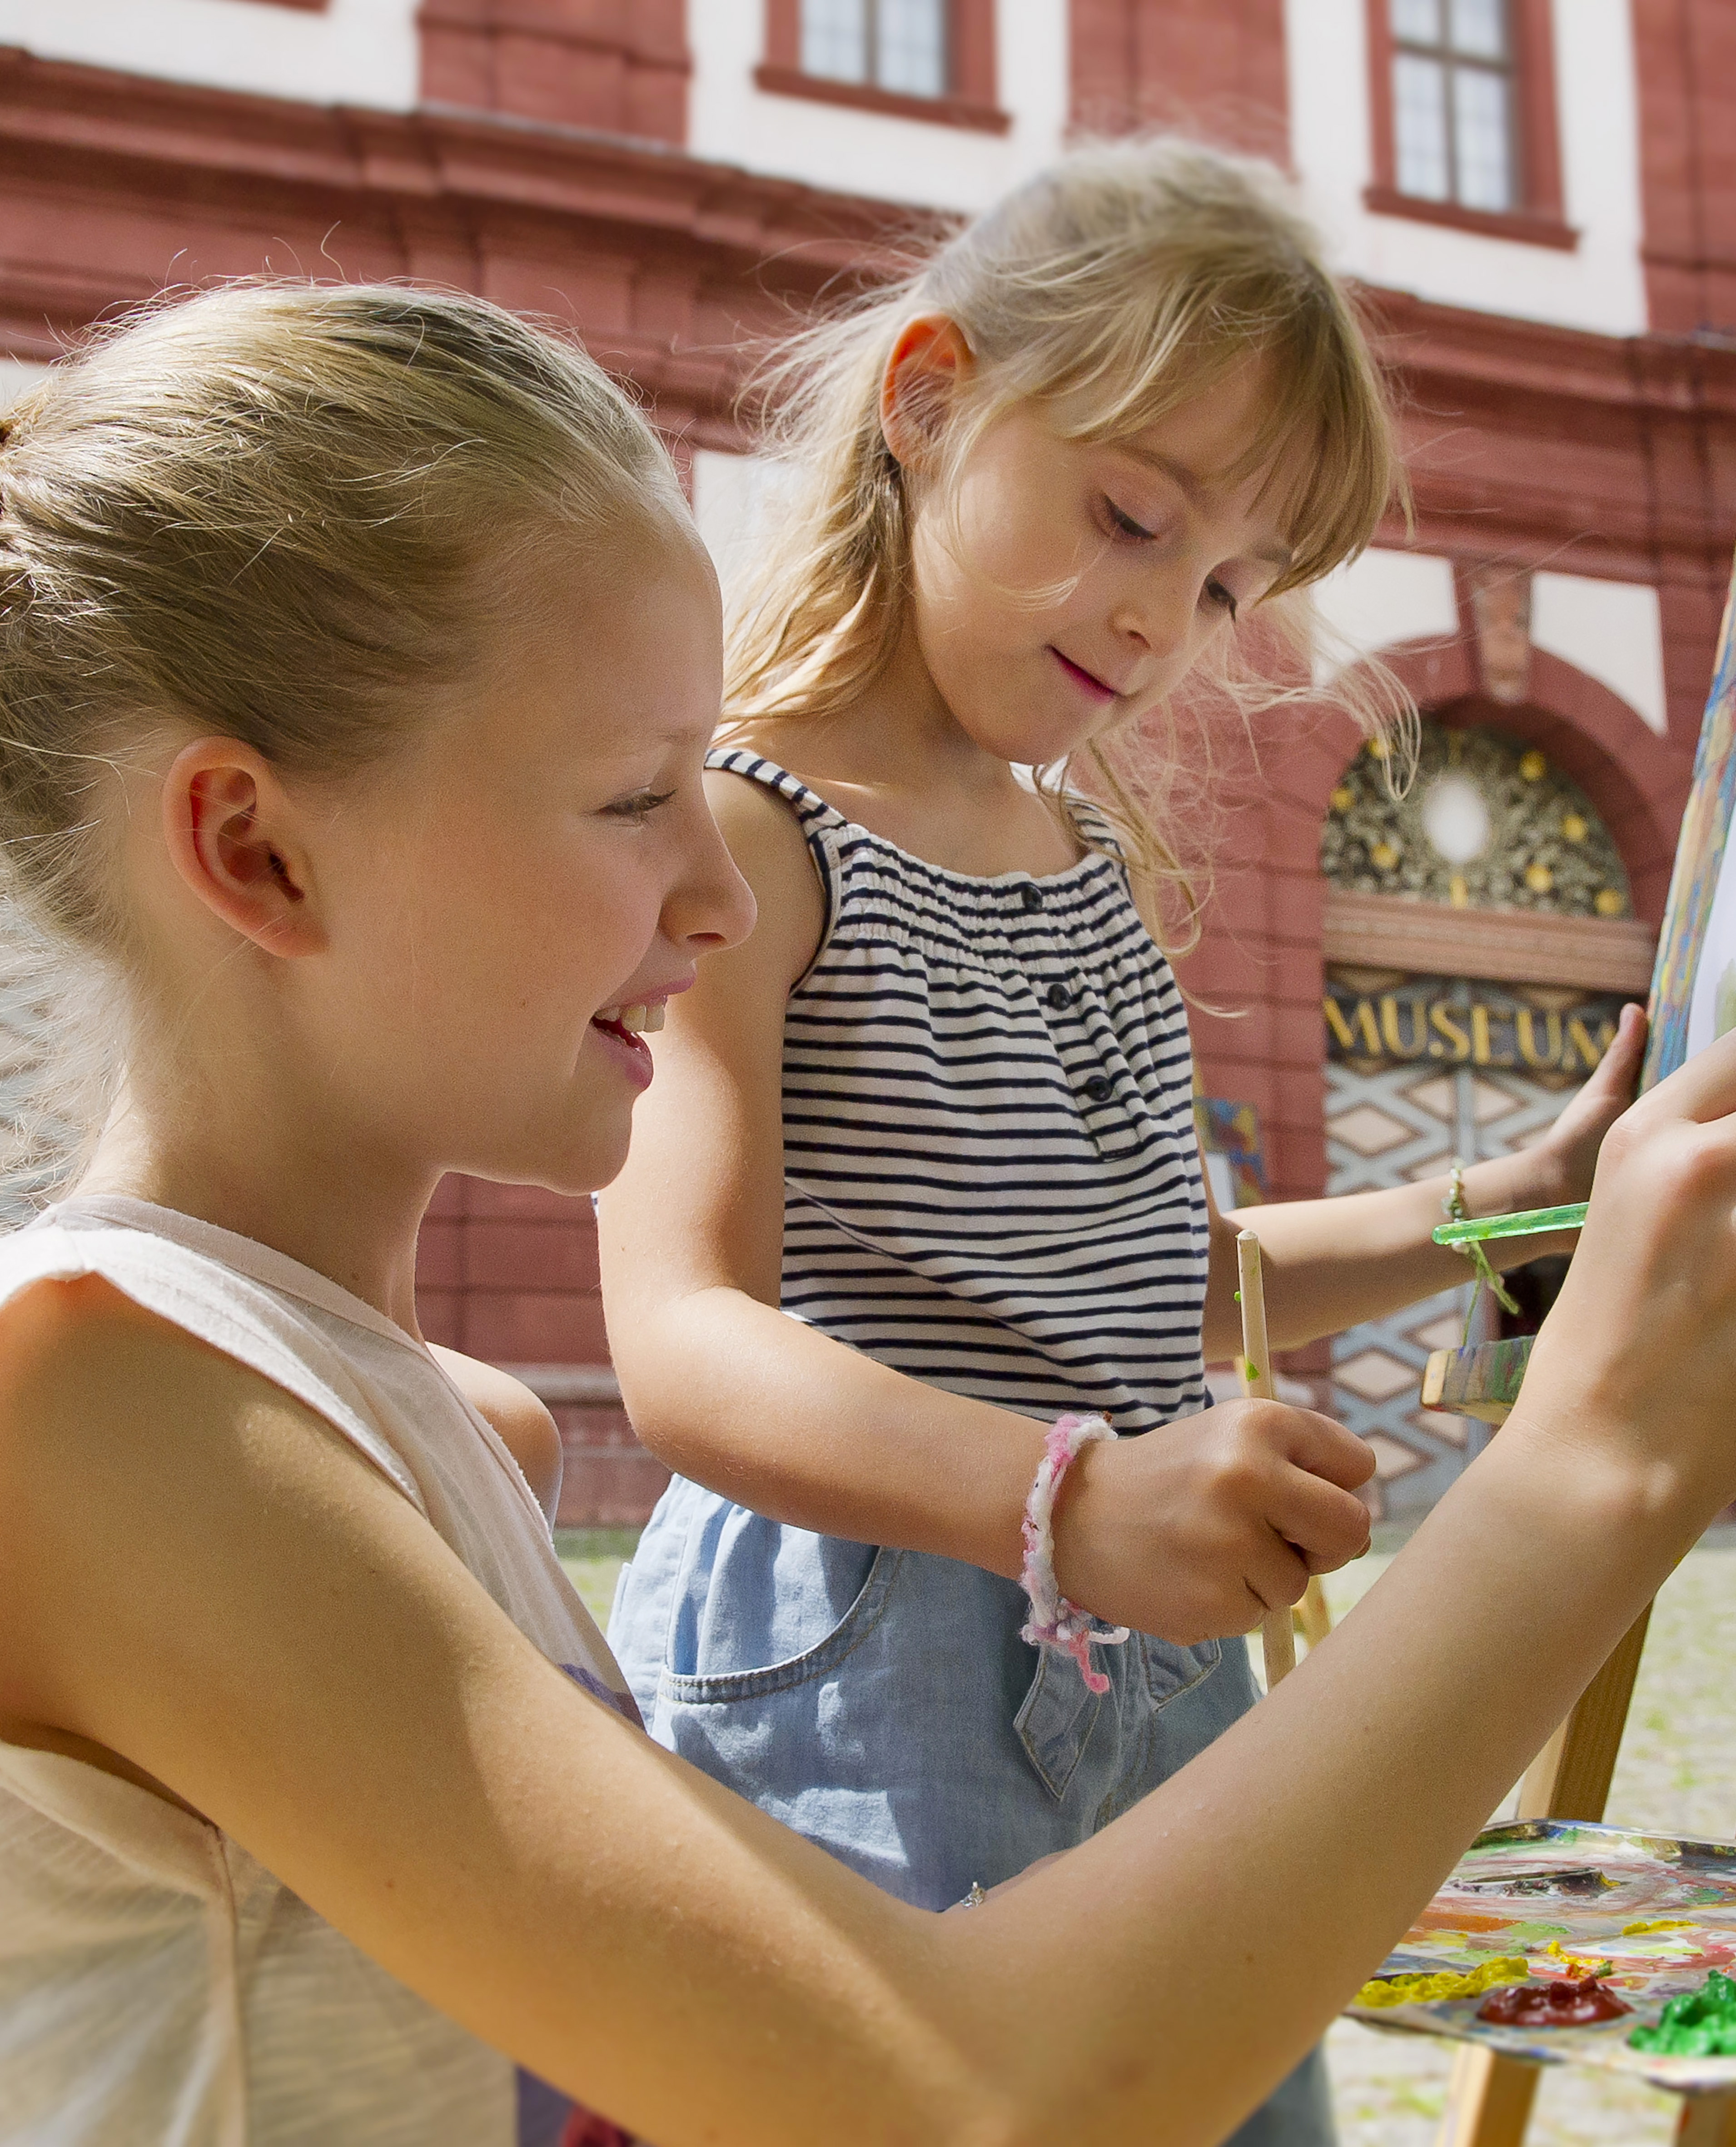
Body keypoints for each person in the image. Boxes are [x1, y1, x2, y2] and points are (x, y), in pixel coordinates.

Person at [0, 278, 1736, 2146]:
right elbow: (963, 2096)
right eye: (640, 799)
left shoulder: (416, 1426)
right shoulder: (98, 1415)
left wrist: (1497, 1224)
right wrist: (1589, 1465)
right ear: (254, 853)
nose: (726, 895)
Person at [594, 141, 1640, 2142]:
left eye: (1228, 582)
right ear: (925, 402)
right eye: (1129, 516)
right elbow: (684, 1340)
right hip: (871, 1645)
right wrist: (1064, 1496)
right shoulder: (750, 833)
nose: (1166, 615)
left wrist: (1498, 1206)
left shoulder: (1082, 853)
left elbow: (1146, 1282)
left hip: (1149, 1642)